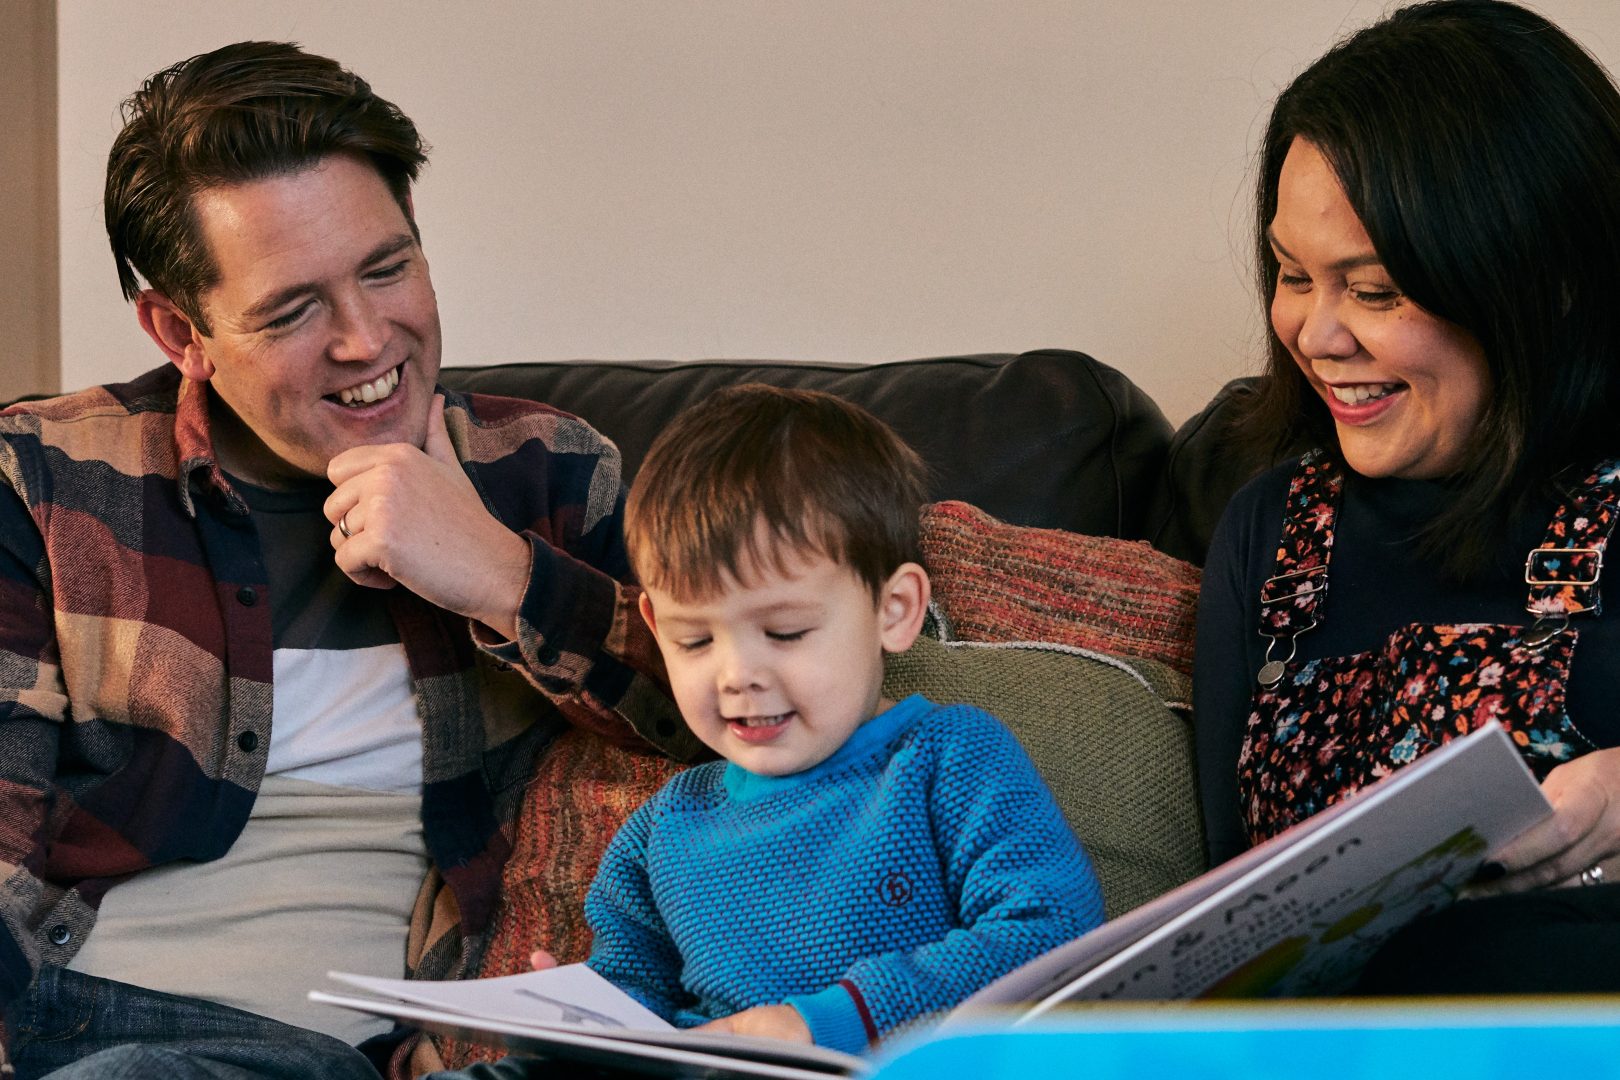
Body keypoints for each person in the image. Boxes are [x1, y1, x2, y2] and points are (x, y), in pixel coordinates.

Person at [0, 41, 696, 1080]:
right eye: (293, 310)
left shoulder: (546, 473)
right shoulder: (45, 478)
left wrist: (502, 576)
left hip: (354, 1052)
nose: (368, 340)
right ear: (179, 330)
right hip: (85, 1026)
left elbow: (729, 720)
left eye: (389, 268)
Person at [431, 384, 1104, 1077]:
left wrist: (832, 1022)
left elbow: (1051, 936)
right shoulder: (663, 829)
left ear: (895, 610)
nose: (736, 675)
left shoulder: (950, 760)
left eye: (784, 632)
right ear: (658, 631)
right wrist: (579, 1023)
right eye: (695, 642)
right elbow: (635, 1000)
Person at [1194, 0, 1620, 994]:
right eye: (1295, 276)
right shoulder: (1270, 530)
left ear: (1542, 280)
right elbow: (1225, 899)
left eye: (1375, 291)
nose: (1317, 334)